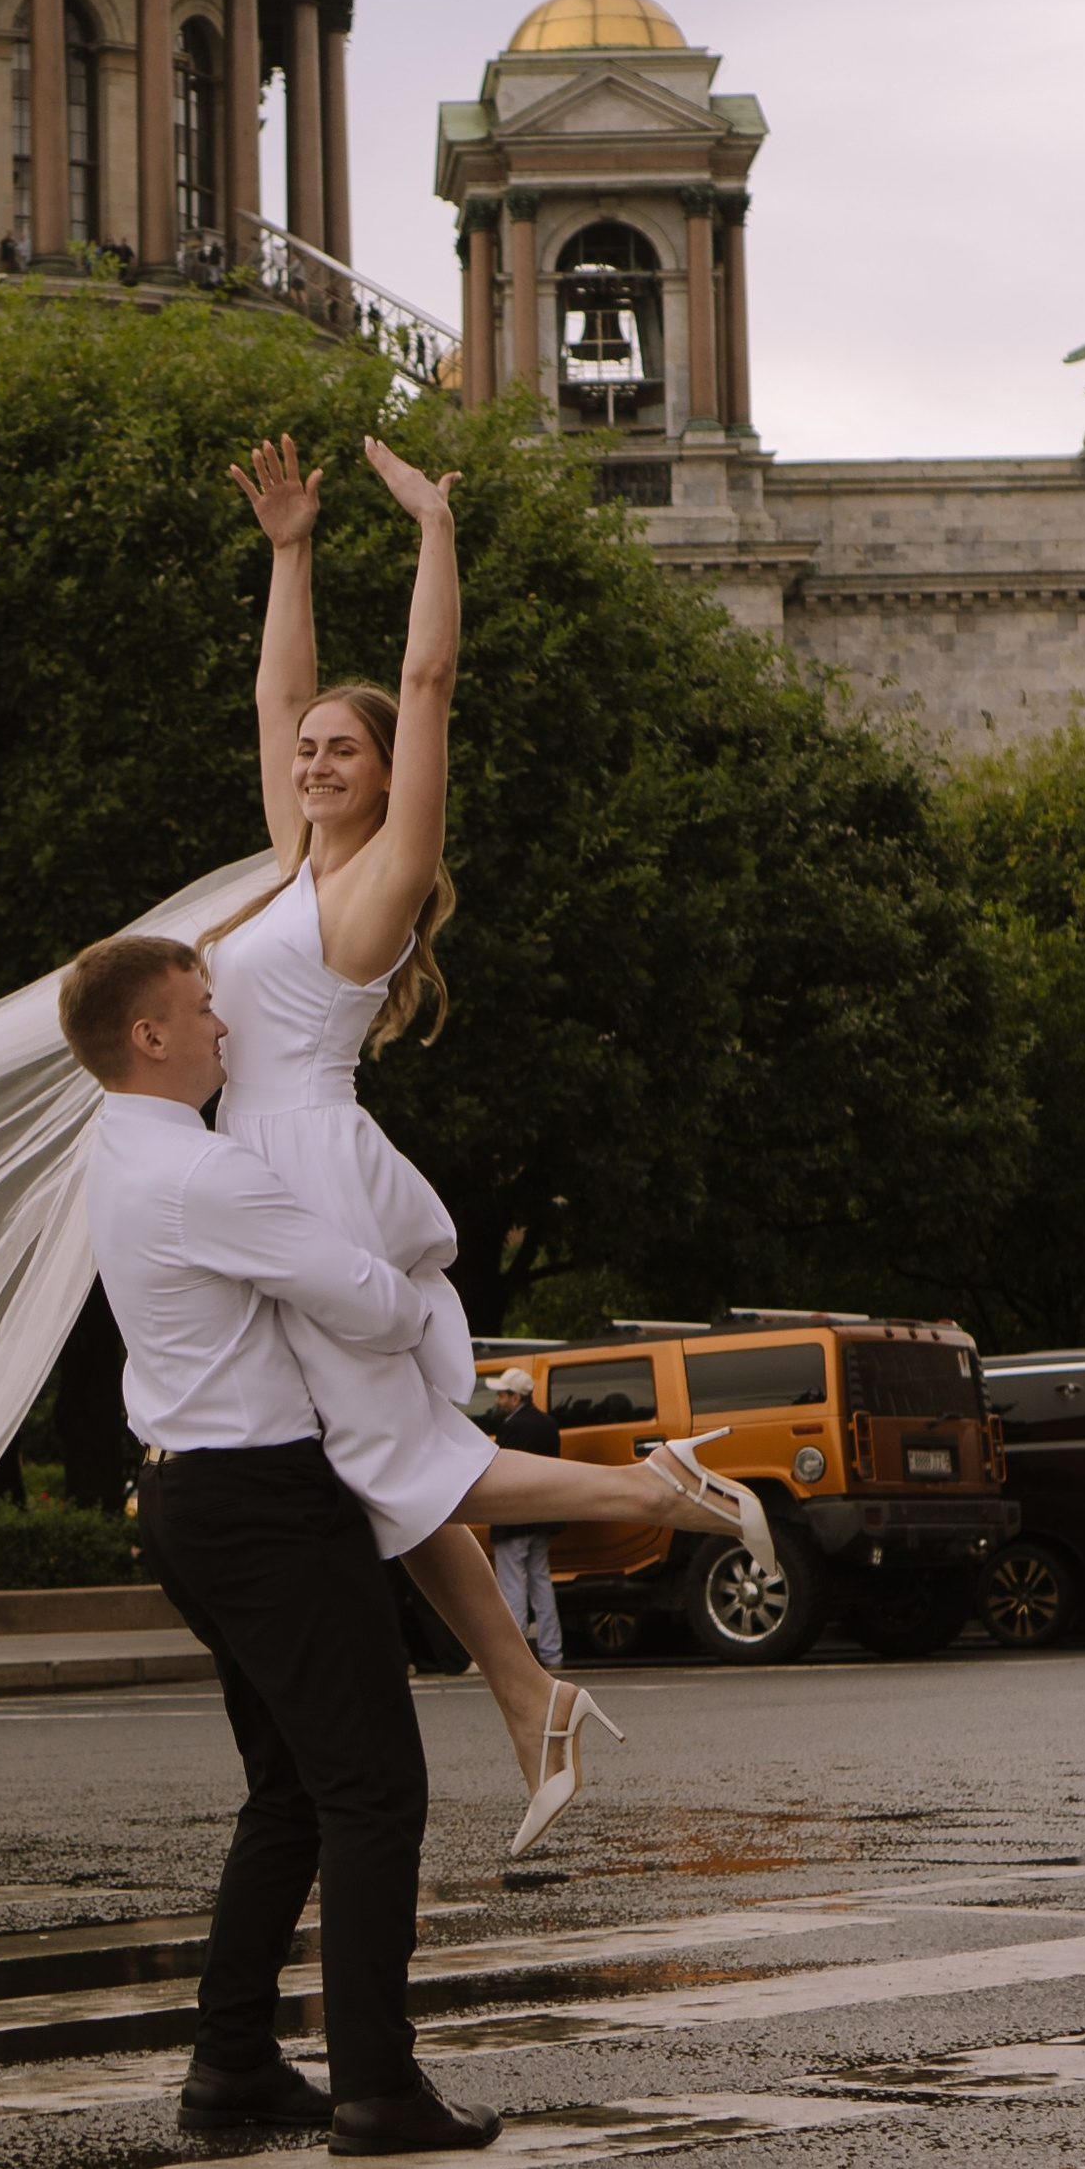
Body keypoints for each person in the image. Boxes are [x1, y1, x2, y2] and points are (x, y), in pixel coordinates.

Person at [209, 431, 775, 1858]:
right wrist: (286, 551)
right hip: (263, 1169)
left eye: (342, 751)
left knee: (390, 1461)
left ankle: (661, 1490)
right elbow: (282, 686)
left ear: (387, 778)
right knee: (378, 1465)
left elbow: (426, 683)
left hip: (309, 1170)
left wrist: (433, 530)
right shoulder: (289, 865)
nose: (315, 758)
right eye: (307, 753)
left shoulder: (382, 878)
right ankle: (531, 1695)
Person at [60, 929, 501, 2155]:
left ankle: (235, 2066)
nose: (224, 1026)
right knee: (372, 1792)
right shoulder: (206, 1174)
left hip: (190, 1503)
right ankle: (376, 2087)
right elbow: (366, 1299)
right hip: (264, 1507)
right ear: (147, 1035)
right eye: (201, 1010)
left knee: (291, 1795)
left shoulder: (113, 1151)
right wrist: (416, 1287)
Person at [485, 1365, 564, 1674]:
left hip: (513, 1515)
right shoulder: (548, 1424)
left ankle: (517, 1658)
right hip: (542, 1514)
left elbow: (500, 1469)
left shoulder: (511, 1427)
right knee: (541, 1584)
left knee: (512, 1585)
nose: (498, 1400)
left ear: (515, 1397)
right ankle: (552, 1653)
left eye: (502, 1394)